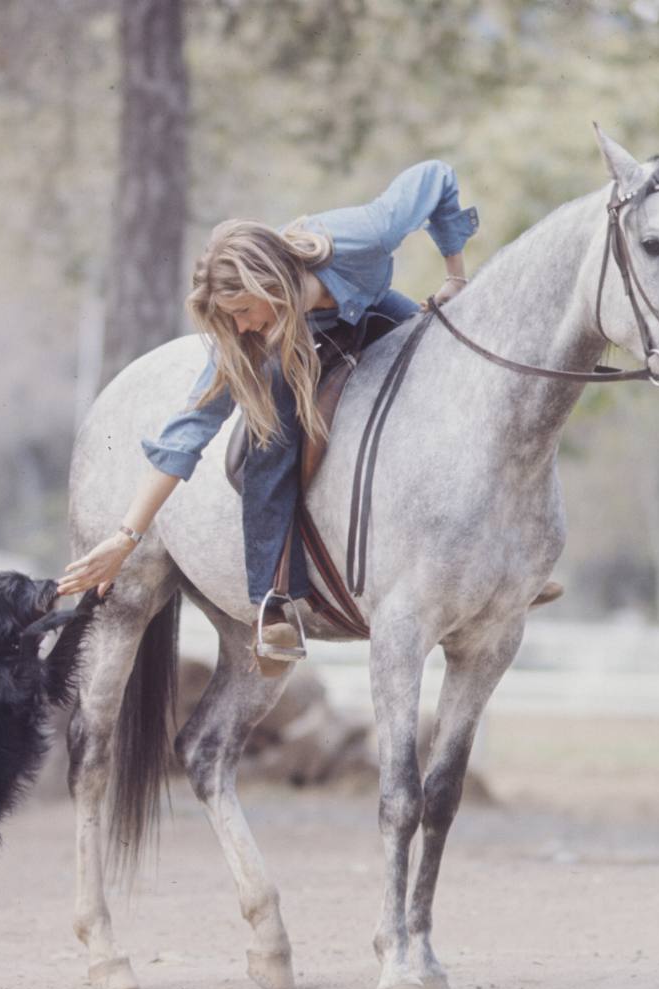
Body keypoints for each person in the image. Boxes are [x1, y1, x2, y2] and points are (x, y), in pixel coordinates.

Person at [56, 160, 481, 668]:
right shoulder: (249, 340)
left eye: (241, 312)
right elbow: (184, 437)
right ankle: (273, 603)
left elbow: (436, 177)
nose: (238, 328)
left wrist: (455, 274)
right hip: (298, 341)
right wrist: (125, 538)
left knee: (455, 372)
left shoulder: (364, 236)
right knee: (271, 435)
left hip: (364, 308)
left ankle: (486, 552)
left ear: (270, 284)